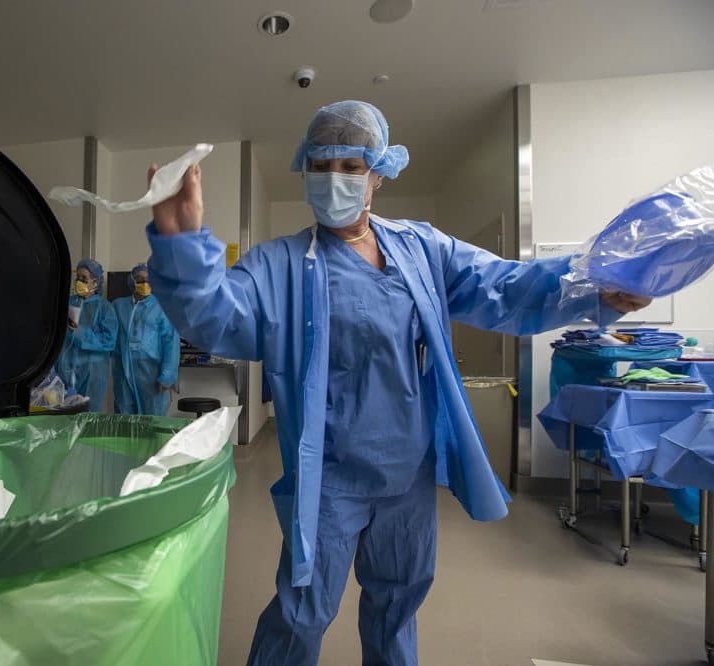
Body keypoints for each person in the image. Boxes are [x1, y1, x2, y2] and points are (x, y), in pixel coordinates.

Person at [144, 100, 650, 665]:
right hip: (331, 478)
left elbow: (503, 287)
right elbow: (218, 315)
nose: (332, 179)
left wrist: (594, 290)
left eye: (349, 167)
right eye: (320, 165)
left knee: (398, 605)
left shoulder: (421, 248)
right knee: (301, 612)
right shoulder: (281, 264)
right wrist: (182, 244)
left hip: (408, 472)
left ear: (378, 174)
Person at [112, 263, 180, 415]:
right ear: (132, 282)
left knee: (153, 421)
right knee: (125, 420)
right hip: (123, 374)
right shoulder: (119, 306)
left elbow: (171, 343)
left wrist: (167, 375)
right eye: (140, 280)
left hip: (152, 375)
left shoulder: (162, 308)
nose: (144, 284)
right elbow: (112, 337)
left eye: (149, 280)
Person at [55, 258, 117, 412]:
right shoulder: (66, 303)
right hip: (65, 369)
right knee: (64, 416)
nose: (79, 282)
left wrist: (80, 331)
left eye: (84, 279)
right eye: (78, 278)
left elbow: (109, 341)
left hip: (92, 372)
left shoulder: (105, 308)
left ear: (95, 283)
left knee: (89, 416)